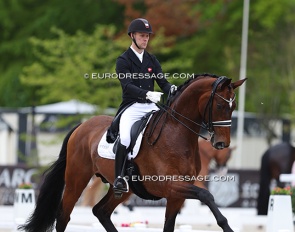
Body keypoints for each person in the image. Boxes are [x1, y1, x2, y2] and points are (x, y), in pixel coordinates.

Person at [112, 18, 177, 195]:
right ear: (132, 36)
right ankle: (119, 178)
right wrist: (146, 94)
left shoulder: (151, 59)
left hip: (151, 106)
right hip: (132, 107)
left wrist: (171, 88)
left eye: (147, 36)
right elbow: (127, 85)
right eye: (142, 36)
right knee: (125, 138)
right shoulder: (123, 60)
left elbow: (162, 82)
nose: (145, 39)